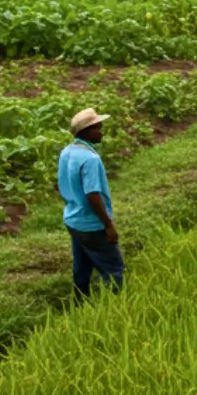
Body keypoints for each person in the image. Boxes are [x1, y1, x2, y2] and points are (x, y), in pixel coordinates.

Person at [59, 108, 124, 298]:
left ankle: (80, 302)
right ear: (86, 131)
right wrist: (108, 225)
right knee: (114, 269)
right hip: (91, 224)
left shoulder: (67, 151)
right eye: (98, 128)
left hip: (73, 220)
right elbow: (93, 195)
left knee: (82, 266)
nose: (101, 131)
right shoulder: (90, 159)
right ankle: (115, 306)